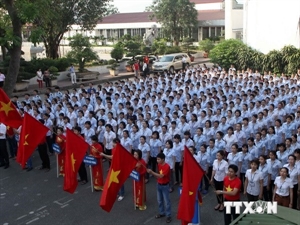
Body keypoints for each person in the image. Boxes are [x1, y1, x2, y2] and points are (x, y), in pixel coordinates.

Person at [147, 153, 172, 224]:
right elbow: (158, 174)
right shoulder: (159, 165)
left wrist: (152, 172)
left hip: (165, 186)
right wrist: (155, 175)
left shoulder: (167, 166)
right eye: (157, 159)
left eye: (158, 159)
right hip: (159, 184)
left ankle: (168, 215)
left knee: (167, 202)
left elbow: (161, 175)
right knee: (159, 200)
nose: (157, 160)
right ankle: (162, 212)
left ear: (163, 159)